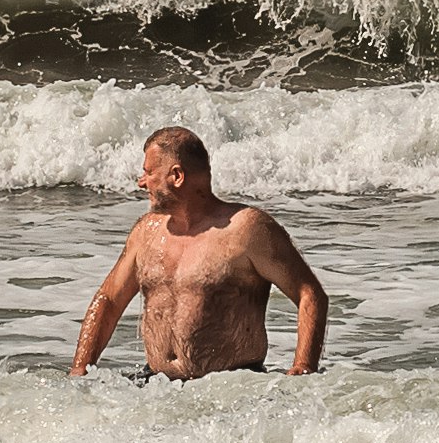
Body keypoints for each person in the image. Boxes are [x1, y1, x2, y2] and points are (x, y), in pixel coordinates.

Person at [69, 124, 332, 379]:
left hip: (231, 389)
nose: (141, 182)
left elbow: (309, 292)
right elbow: (109, 300)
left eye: (149, 172)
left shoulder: (247, 229)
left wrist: (303, 367)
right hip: (156, 385)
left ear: (177, 176)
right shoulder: (145, 232)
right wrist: (80, 369)